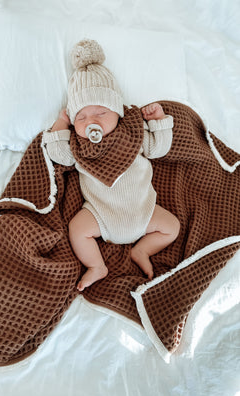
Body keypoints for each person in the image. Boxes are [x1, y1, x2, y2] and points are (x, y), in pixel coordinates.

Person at [42, 39, 180, 291]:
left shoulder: (132, 134)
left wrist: (159, 120)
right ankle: (97, 265)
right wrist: (61, 124)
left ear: (118, 112)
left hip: (143, 211)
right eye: (81, 117)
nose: (90, 121)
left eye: (101, 113)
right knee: (77, 229)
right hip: (101, 214)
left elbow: (158, 149)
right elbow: (60, 155)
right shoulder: (79, 145)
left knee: (172, 227)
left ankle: (142, 250)